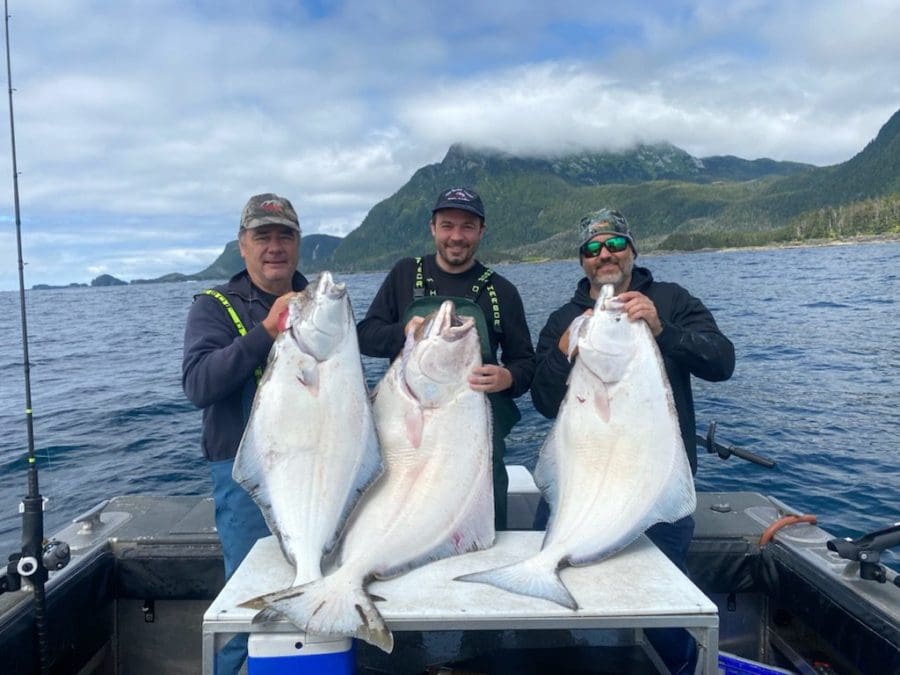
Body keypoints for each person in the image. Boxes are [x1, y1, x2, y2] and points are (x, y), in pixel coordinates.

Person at [529, 208, 735, 674]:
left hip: (651, 482)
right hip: (580, 482)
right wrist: (563, 351)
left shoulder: (672, 299)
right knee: (549, 615)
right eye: (592, 249)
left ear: (633, 249)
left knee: (662, 608)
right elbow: (543, 400)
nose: (605, 255)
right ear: (582, 261)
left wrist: (665, 331)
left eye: (615, 244)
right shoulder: (565, 318)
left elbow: (722, 362)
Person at [357, 187, 535, 530]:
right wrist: (401, 332)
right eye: (447, 225)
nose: (457, 236)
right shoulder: (405, 274)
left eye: (467, 227)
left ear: (482, 231)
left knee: (481, 527)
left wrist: (507, 378)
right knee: (402, 522)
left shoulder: (502, 291)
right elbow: (365, 335)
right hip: (408, 433)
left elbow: (525, 363)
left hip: (475, 438)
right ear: (432, 228)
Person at [182, 193, 308, 675]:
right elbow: (199, 385)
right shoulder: (213, 308)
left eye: (285, 236)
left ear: (298, 244)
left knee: (314, 590)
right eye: (263, 236)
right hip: (244, 477)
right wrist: (265, 332)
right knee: (250, 600)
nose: (274, 246)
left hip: (316, 465)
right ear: (242, 245)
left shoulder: (320, 301)